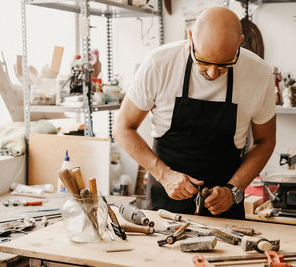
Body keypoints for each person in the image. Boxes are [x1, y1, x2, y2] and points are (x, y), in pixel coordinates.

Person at [113, 7, 276, 219]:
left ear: (240, 42)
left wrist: (233, 190)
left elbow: (265, 142)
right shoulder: (159, 64)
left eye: (225, 65)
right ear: (190, 37)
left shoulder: (259, 74)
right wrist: (164, 175)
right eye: (204, 62)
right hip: (165, 204)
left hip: (225, 206)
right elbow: (122, 128)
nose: (213, 73)